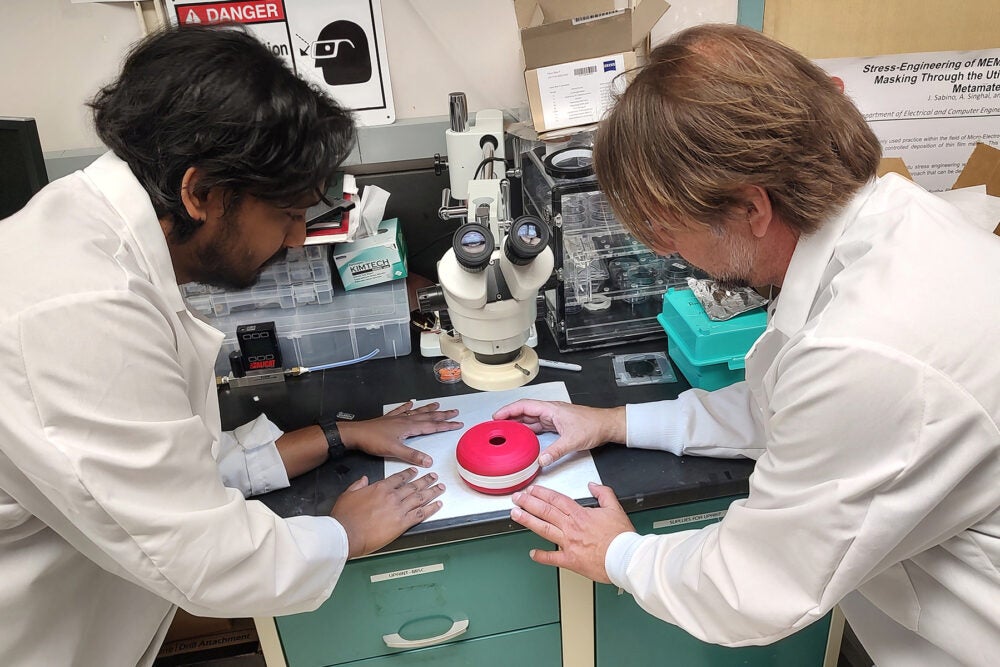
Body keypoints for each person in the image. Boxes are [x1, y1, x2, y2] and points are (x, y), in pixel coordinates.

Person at [498, 24, 1000, 667]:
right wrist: (616, 422)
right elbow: (788, 411)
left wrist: (619, 554)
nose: (660, 249)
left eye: (664, 226)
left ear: (751, 209)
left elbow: (751, 587)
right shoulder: (896, 226)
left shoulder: (869, 350)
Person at [0, 24, 461, 666]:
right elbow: (200, 555)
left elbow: (174, 464)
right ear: (202, 194)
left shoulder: (99, 238)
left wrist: (343, 434)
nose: (299, 240)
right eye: (287, 214)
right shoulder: (79, 306)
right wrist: (336, 536)